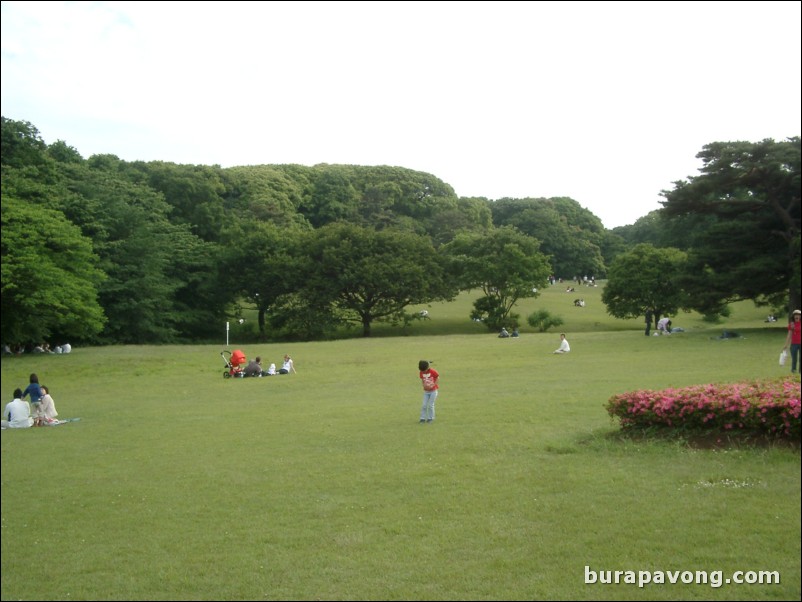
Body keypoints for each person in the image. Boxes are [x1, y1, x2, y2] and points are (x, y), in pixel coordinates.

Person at [782, 309, 801, 374]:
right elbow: (789, 335)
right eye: (796, 315)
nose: (797, 316)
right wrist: (786, 345)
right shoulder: (791, 324)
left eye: (798, 315)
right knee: (794, 359)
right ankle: (794, 371)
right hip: (794, 344)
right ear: (793, 316)